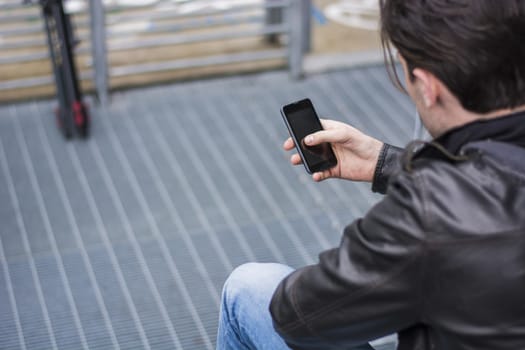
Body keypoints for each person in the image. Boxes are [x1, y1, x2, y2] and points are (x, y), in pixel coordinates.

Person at [216, 0, 525, 349]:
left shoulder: (431, 213)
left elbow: (298, 315)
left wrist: (406, 203)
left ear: (426, 86)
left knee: (248, 289)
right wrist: (385, 162)